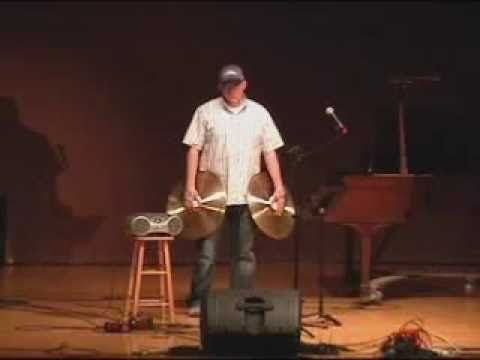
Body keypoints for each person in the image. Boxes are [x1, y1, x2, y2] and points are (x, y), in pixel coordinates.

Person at [182, 64, 287, 316]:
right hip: (212, 195)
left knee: (244, 254)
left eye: (236, 83)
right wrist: (189, 185)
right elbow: (193, 148)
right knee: (206, 253)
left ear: (245, 84)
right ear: (220, 86)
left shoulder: (259, 114)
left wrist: (279, 187)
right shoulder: (205, 111)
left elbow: (269, 150)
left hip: (246, 194)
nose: (232, 89)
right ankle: (199, 300)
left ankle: (238, 300)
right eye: (227, 84)